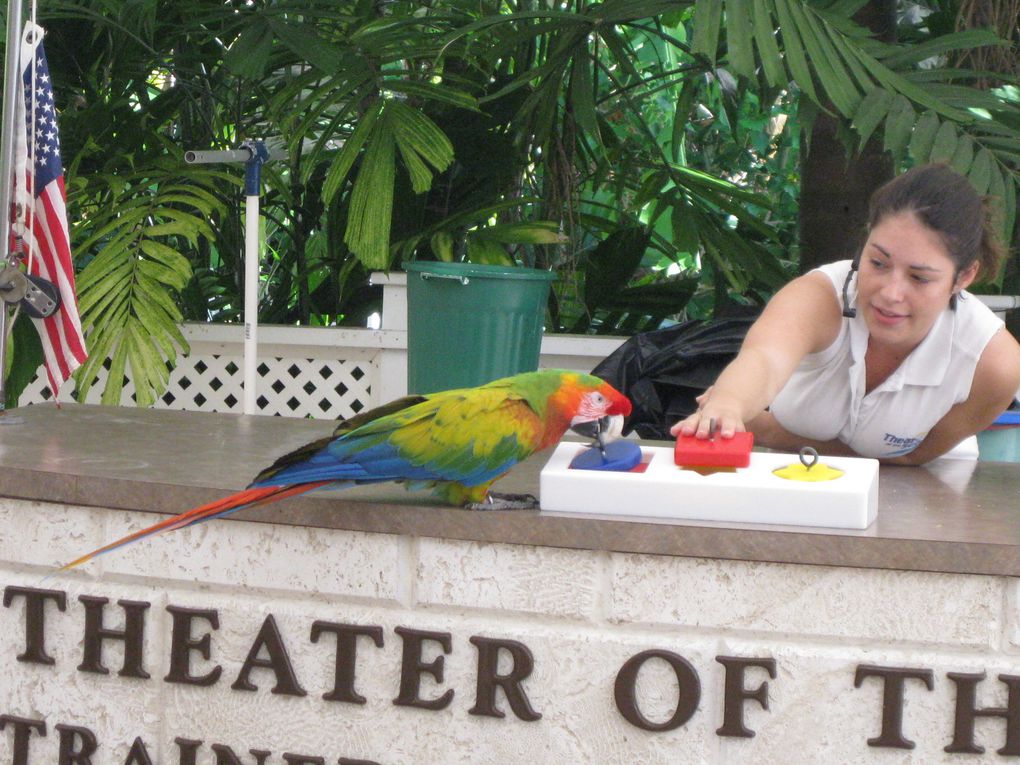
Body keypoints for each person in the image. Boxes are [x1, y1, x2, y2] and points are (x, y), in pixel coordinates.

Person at [671, 163, 1020, 465]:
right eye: (878, 263)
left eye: (919, 278)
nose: (890, 293)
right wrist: (729, 406)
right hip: (800, 482)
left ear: (964, 277)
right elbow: (764, 359)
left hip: (928, 497)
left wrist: (773, 432)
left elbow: (912, 458)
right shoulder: (820, 297)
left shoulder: (995, 364)